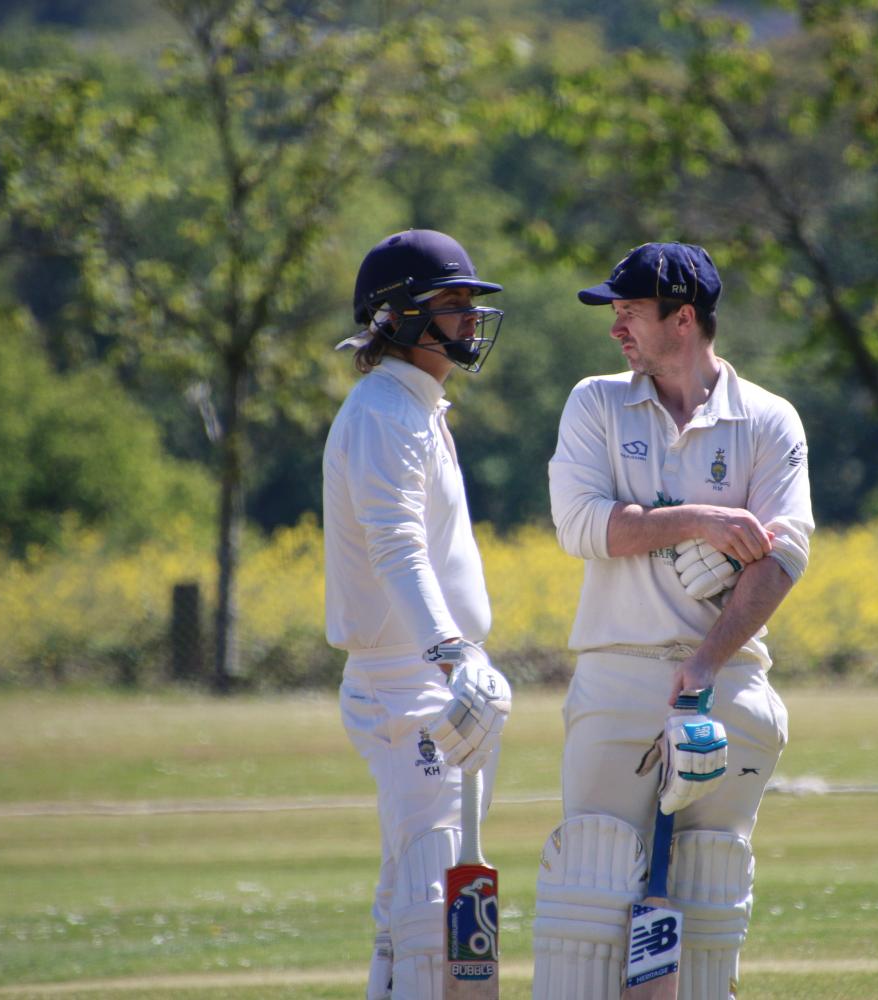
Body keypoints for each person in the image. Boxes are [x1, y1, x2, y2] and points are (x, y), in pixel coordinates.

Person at [533, 242, 814, 1000]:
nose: (617, 327)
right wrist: (702, 522)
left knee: (706, 899)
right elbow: (584, 526)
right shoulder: (596, 402)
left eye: (631, 312)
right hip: (617, 674)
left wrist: (704, 667)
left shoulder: (768, 420)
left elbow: (785, 556)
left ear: (683, 318)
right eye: (614, 312)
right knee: (588, 904)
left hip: (727, 684)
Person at [324, 228, 513, 999]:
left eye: (472, 302)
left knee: (414, 893)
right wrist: (451, 653)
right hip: (410, 682)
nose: (470, 318)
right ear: (397, 317)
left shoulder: (416, 405)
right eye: (452, 303)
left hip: (432, 675)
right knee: (433, 902)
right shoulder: (384, 413)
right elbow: (396, 546)